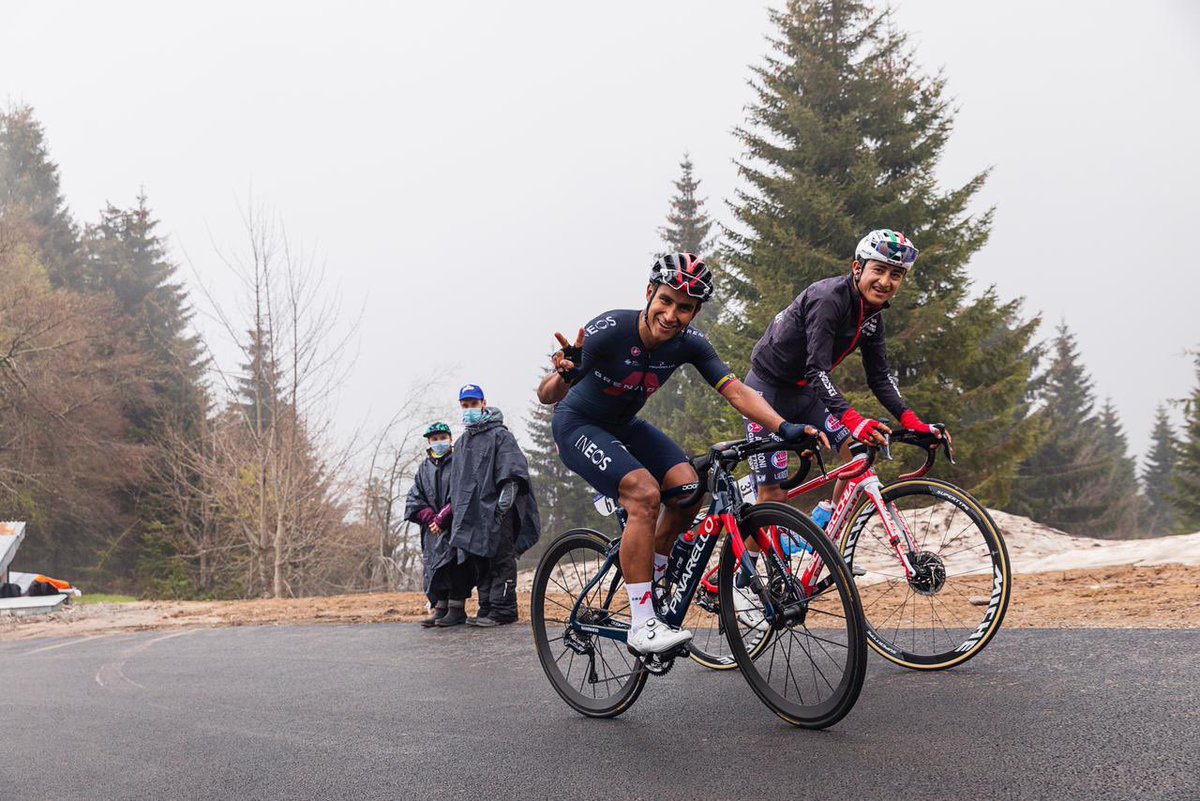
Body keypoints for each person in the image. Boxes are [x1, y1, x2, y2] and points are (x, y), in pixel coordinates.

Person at [536, 253, 824, 656]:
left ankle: (652, 580)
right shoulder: (611, 329)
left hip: (624, 426)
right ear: (650, 293)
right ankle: (642, 623)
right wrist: (565, 374)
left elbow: (737, 391)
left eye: (684, 308)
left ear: (695, 312)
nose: (671, 314)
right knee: (644, 493)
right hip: (577, 425)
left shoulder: (690, 345)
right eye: (666, 301)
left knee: (689, 489)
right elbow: (547, 396)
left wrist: (784, 426)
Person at [744, 229, 947, 515]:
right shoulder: (828, 299)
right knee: (775, 496)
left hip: (805, 394)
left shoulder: (872, 317)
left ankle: (823, 525)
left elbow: (879, 378)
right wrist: (855, 420)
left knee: (860, 454)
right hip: (765, 393)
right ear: (857, 268)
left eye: (896, 275)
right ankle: (749, 558)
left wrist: (913, 422)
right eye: (878, 270)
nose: (885, 282)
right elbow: (817, 370)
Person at [446, 384, 541, 627]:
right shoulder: (462, 442)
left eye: (473, 404)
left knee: (501, 560)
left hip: (498, 512)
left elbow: (513, 472)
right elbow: (458, 483)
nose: (469, 409)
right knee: (480, 561)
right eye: (465, 405)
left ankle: (504, 609)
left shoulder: (500, 435)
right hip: (473, 515)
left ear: (483, 404)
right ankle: (486, 607)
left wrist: (503, 504)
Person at [405, 422, 465, 628]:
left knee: (454, 565)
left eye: (442, 438)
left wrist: (443, 518)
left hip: (453, 525)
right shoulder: (424, 468)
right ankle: (440, 606)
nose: (439, 442)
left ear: (449, 439)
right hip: (432, 529)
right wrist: (430, 517)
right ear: (429, 442)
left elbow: (462, 493)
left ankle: (457, 608)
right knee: (435, 567)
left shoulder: (459, 462)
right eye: (434, 439)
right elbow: (415, 498)